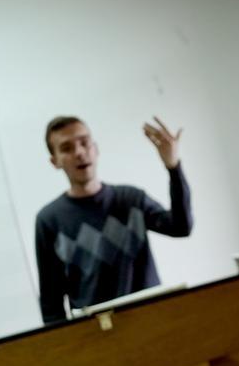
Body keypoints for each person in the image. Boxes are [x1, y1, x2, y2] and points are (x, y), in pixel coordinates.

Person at [35, 116, 193, 323]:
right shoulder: (49, 220)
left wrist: (173, 168)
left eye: (84, 142)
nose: (80, 152)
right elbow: (51, 301)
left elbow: (181, 227)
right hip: (97, 333)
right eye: (66, 148)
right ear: (55, 161)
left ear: (96, 149)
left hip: (153, 319)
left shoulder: (131, 199)